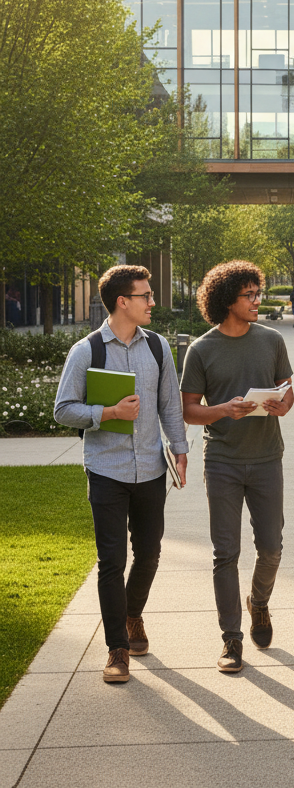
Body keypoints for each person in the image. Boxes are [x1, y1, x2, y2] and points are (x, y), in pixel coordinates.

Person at [54, 264, 188, 684]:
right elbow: (63, 409)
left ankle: (133, 615)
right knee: (111, 561)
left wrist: (180, 449)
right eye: (145, 295)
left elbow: (170, 404)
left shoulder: (157, 347)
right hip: (106, 470)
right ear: (121, 302)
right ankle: (117, 648)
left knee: (148, 553)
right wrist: (108, 413)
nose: (152, 302)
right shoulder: (86, 351)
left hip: (150, 467)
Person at [180, 261, 293, 674]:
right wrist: (222, 410)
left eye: (257, 293)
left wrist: (284, 403)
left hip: (266, 459)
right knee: (225, 553)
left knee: (272, 547)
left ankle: (258, 603)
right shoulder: (202, 349)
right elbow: (189, 410)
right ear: (228, 300)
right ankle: (231, 639)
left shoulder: (272, 340)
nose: (257, 301)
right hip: (223, 461)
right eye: (250, 295)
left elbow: (287, 393)